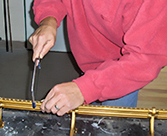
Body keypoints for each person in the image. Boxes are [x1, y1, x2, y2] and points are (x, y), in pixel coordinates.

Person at [29, 0, 167, 116]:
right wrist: (48, 20)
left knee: (111, 128)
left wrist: (86, 88)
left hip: (120, 76)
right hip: (87, 65)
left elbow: (145, 59)